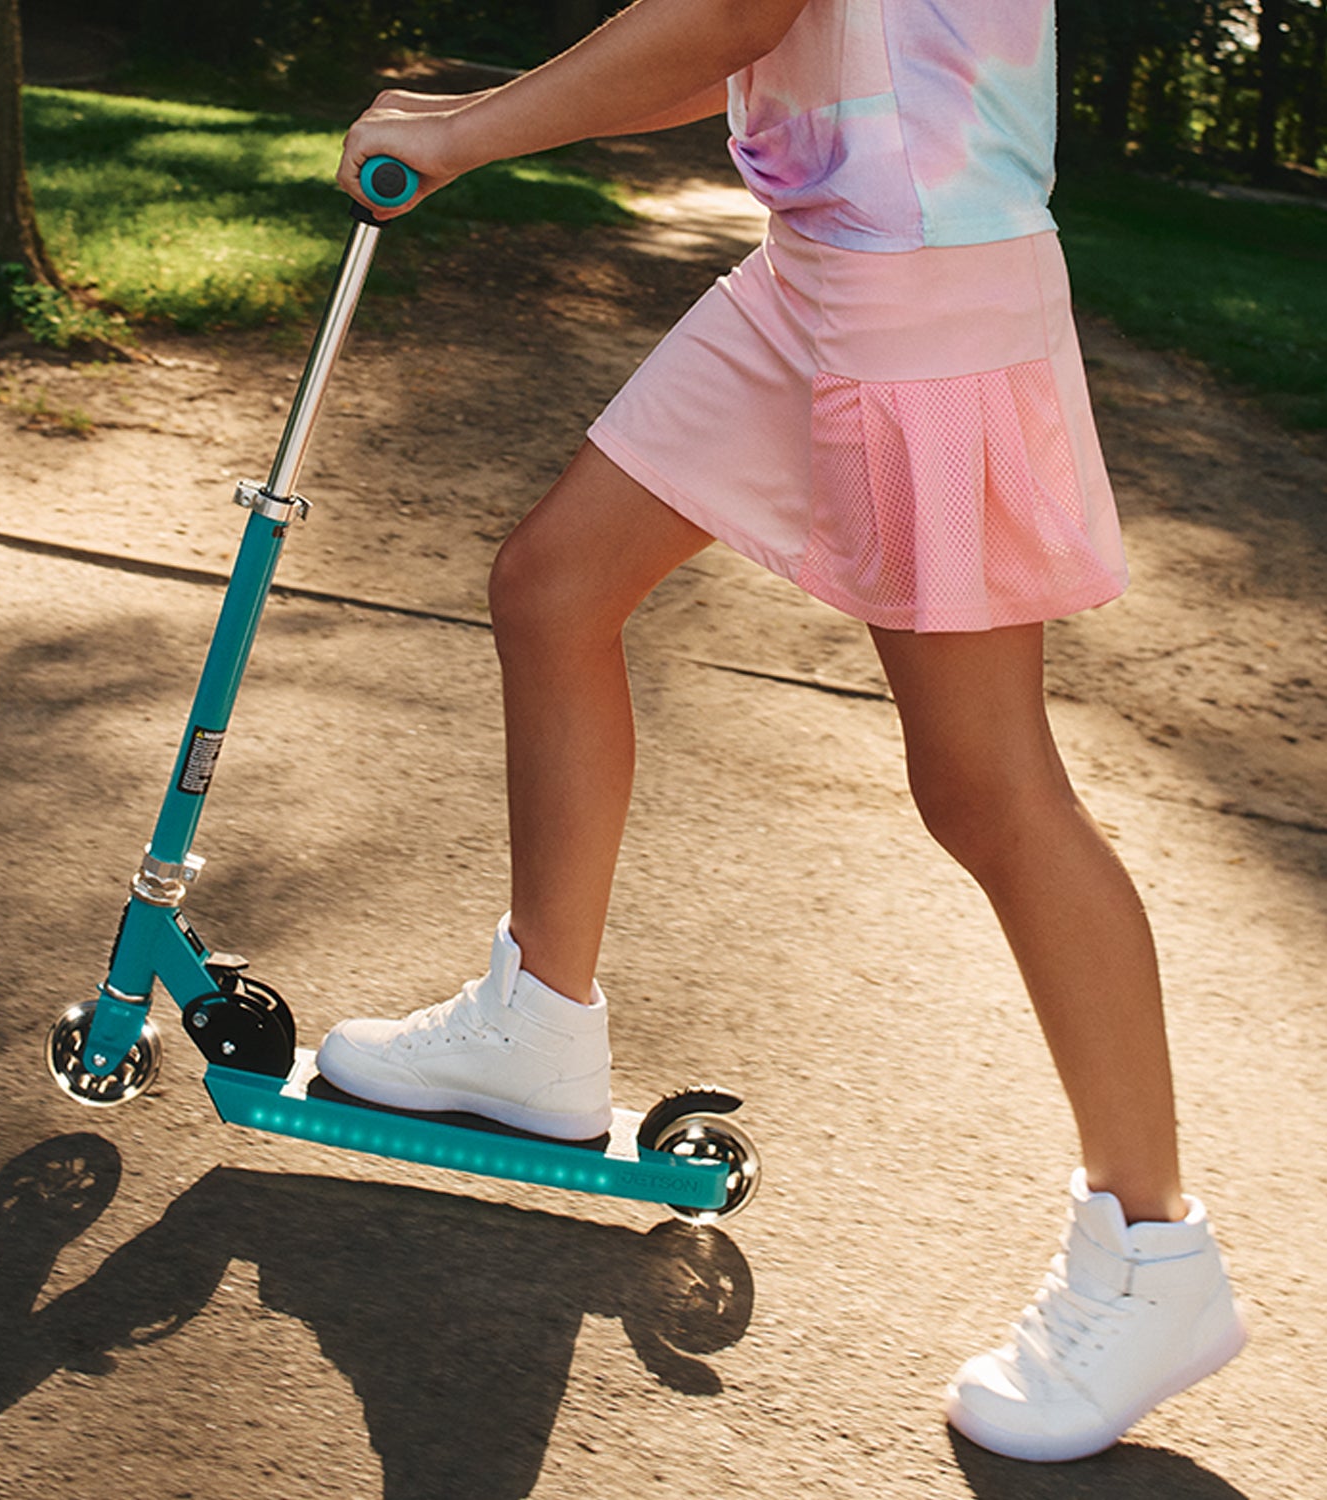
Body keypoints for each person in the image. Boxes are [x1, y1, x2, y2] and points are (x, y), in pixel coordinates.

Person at [317, 0, 1247, 1464]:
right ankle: (536, 1028)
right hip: (824, 261)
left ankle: (1153, 1262)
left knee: (990, 791)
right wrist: (470, 112)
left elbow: (724, 19)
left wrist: (462, 133)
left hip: (920, 290)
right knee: (555, 589)